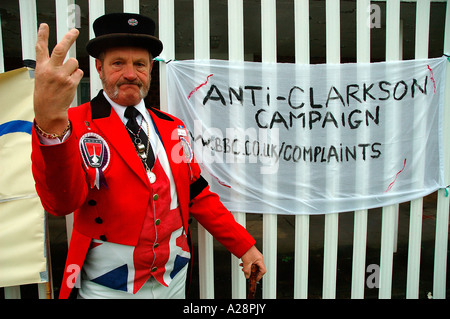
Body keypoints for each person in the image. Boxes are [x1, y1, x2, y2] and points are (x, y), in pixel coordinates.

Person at [31, 13, 265, 299]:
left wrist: (244, 245)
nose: (130, 73)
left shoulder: (172, 127)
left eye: (139, 64)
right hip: (107, 287)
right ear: (99, 67)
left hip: (173, 280)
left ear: (150, 70)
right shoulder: (70, 124)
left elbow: (197, 194)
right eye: (118, 63)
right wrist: (49, 122)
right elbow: (60, 204)